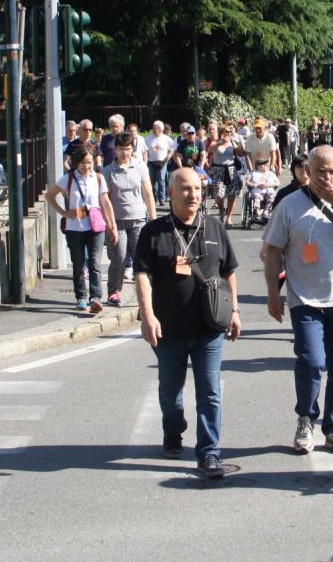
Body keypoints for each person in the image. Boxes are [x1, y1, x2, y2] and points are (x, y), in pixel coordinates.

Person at [261, 146, 333, 456]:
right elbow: (272, 251)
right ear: (307, 171)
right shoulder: (289, 204)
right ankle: (306, 419)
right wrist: (273, 293)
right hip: (305, 298)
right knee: (310, 361)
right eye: (320, 171)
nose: (327, 177)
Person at [134, 167, 240, 480]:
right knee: (170, 392)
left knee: (210, 392)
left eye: (197, 188)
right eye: (185, 189)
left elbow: (229, 271)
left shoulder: (214, 227)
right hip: (168, 328)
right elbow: (142, 275)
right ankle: (173, 430)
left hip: (209, 327)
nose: (193, 194)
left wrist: (234, 311)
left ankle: (209, 453)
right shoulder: (153, 232)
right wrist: (147, 315)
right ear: (170, 193)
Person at [44, 144, 118, 313]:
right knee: (78, 263)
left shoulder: (98, 178)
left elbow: (105, 202)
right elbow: (49, 196)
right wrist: (64, 212)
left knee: (94, 261)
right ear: (77, 162)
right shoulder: (68, 179)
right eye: (83, 163)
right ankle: (81, 297)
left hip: (95, 226)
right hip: (74, 227)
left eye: (90, 162)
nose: (87, 166)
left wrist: (112, 226)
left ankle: (95, 297)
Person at [104, 132, 157, 307]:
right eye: (121, 149)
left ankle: (147, 294)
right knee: (119, 257)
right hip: (117, 220)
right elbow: (104, 199)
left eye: (127, 149)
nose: (124, 153)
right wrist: (109, 223)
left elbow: (147, 193)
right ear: (115, 150)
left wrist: (153, 219)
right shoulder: (108, 171)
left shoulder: (140, 166)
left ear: (132, 149)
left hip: (138, 218)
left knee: (140, 258)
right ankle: (113, 292)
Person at [209, 124, 241, 227]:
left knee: (232, 195)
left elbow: (240, 152)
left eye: (230, 132)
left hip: (231, 170)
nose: (228, 133)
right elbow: (209, 149)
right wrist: (221, 142)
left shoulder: (232, 142)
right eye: (226, 131)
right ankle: (222, 211)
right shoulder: (216, 142)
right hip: (218, 170)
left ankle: (229, 218)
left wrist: (232, 141)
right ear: (221, 132)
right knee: (219, 195)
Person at [144, 120, 175, 203]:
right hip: (151, 162)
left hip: (162, 162)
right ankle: (154, 197)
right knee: (152, 180)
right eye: (154, 128)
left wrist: (168, 156)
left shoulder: (166, 138)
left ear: (161, 129)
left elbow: (172, 149)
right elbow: (144, 149)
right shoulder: (148, 138)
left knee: (161, 179)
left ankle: (162, 198)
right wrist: (146, 157)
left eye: (157, 128)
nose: (154, 130)